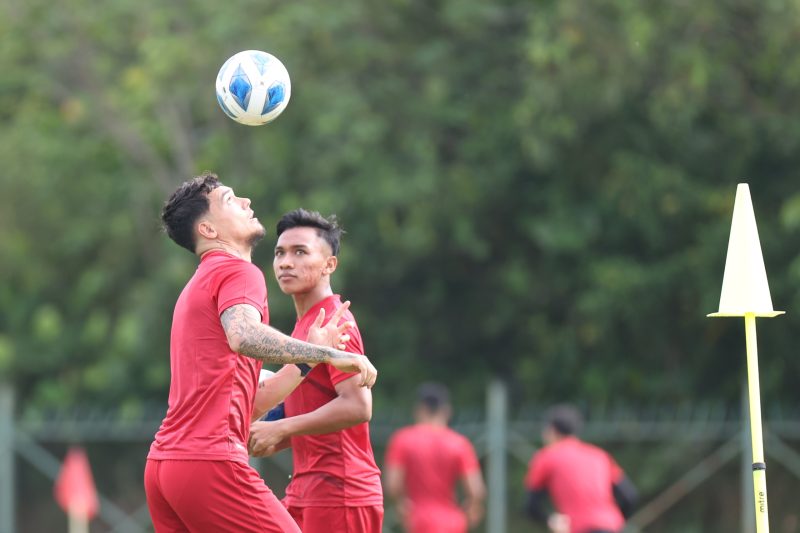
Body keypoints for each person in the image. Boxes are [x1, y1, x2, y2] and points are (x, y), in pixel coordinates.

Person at [144, 174, 378, 533]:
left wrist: (308, 360)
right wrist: (328, 355)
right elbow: (243, 335)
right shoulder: (238, 270)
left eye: (300, 252)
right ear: (207, 229)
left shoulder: (198, 284)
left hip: (165, 466)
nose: (246, 202)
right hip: (210, 462)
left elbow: (248, 402)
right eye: (230, 200)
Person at [248, 208, 384, 532]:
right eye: (280, 252)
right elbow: (317, 409)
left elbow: (358, 405)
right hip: (307, 490)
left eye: (300, 252)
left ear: (329, 265)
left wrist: (280, 429)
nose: (285, 262)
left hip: (342, 492)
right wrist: (275, 436)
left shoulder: (336, 322)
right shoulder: (304, 328)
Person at [384, 382, 486, 533]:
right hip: (453, 523)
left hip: (418, 520)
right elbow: (476, 490)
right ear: (447, 411)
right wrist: (473, 508)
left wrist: (401, 503)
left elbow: (392, 485)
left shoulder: (403, 440)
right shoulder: (459, 443)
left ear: (419, 409)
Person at [524, 404, 637, 533]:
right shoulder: (600, 456)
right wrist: (617, 524)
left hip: (578, 528)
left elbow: (532, 507)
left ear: (552, 430)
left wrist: (550, 519)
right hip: (611, 526)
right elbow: (629, 496)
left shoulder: (545, 457)